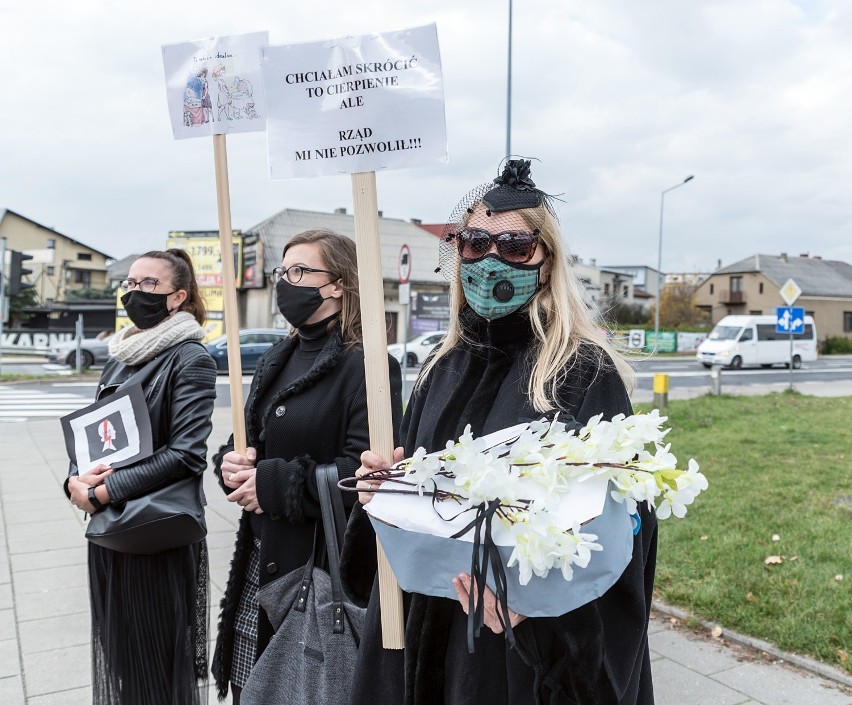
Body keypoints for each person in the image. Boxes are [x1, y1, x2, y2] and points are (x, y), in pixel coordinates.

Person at [345, 159, 657, 705]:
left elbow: (621, 525)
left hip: (514, 648)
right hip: (426, 626)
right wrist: (382, 493)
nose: (491, 259)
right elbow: (413, 512)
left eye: (514, 246)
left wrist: (539, 608)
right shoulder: (442, 368)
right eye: (473, 243)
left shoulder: (580, 371)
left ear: (546, 260)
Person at [211, 229, 403, 703]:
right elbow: (250, 438)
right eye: (283, 272)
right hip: (259, 561)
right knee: (250, 686)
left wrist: (273, 486)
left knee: (298, 688)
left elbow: (369, 475)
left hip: (316, 570)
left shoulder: (369, 367)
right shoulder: (280, 356)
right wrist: (231, 465)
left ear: (338, 283)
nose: (285, 283)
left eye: (299, 272)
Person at [65, 248, 217, 705]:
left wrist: (107, 490)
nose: (135, 292)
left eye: (149, 284)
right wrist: (74, 481)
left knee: (154, 669)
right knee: (122, 661)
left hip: (155, 533)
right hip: (112, 532)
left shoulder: (191, 359)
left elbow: (186, 455)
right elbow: (93, 438)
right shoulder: (120, 357)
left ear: (178, 297)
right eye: (130, 283)